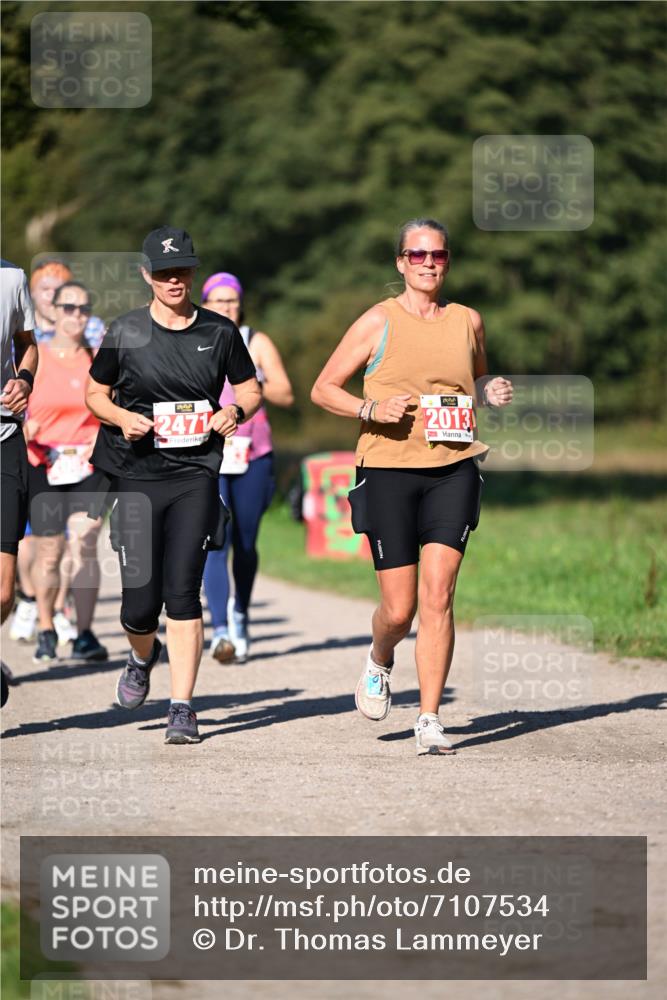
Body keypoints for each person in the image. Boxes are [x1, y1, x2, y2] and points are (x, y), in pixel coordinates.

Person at [311, 218, 513, 755]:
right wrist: (371, 408)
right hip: (388, 470)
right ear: (401, 262)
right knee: (399, 611)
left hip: (453, 467)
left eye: (438, 255)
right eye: (417, 255)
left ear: (448, 262)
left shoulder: (468, 320)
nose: (428, 263)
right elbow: (323, 388)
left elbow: (475, 380)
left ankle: (429, 718)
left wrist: (491, 389)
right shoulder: (378, 321)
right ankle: (380, 657)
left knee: (439, 595)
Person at [85, 226, 261, 744]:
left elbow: (250, 389)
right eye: (164, 272)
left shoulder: (220, 331)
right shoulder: (125, 329)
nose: (174, 280)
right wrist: (122, 417)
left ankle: (182, 707)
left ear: (193, 272)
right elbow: (94, 393)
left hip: (194, 474)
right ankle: (143, 656)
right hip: (136, 474)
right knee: (139, 608)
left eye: (182, 270)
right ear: (147, 275)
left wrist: (234, 412)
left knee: (183, 592)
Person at [200, 272, 294, 663]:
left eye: (232, 301)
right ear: (205, 304)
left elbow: (285, 394)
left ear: (240, 305)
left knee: (245, 541)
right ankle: (221, 630)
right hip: (209, 454)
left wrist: (251, 376)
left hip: (253, 454)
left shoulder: (257, 341)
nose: (226, 307)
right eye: (218, 301)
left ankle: (240, 613)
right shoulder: (197, 338)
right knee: (215, 541)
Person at [25, 281, 108, 663]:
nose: (77, 315)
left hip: (88, 465)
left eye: (83, 308)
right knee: (49, 552)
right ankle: (46, 627)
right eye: (69, 308)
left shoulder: (98, 359)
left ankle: (84, 634)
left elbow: (115, 406)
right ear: (54, 312)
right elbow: (12, 404)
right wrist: (25, 427)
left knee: (86, 541)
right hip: (43, 464)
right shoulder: (36, 357)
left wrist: (101, 436)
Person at [1, 259, 38, 706]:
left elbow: (28, 345)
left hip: (4, 435)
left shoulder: (11, 279)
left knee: (4, 591)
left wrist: (25, 379)